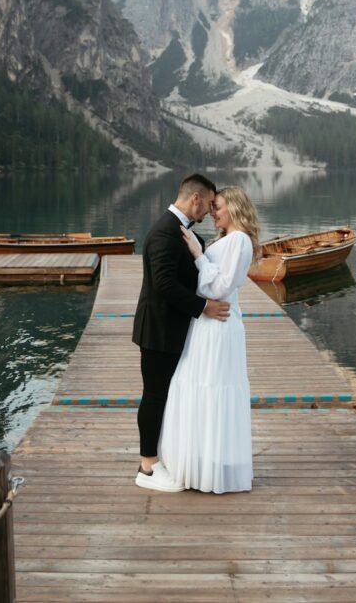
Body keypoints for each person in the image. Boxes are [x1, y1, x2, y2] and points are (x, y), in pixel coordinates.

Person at [155, 185, 260, 493]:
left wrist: (199, 256)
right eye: (212, 207)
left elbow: (219, 289)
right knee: (196, 386)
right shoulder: (226, 239)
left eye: (219, 206)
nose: (213, 212)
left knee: (212, 387)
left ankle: (212, 469)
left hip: (219, 325)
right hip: (206, 323)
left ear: (235, 208)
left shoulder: (239, 240)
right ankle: (202, 464)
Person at [133, 173, 232, 491]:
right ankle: (147, 466)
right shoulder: (164, 232)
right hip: (158, 330)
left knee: (166, 394)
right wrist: (204, 307)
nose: (208, 213)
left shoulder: (179, 231)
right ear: (196, 199)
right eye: (209, 205)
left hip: (171, 328)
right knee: (155, 395)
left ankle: (162, 457)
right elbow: (164, 284)